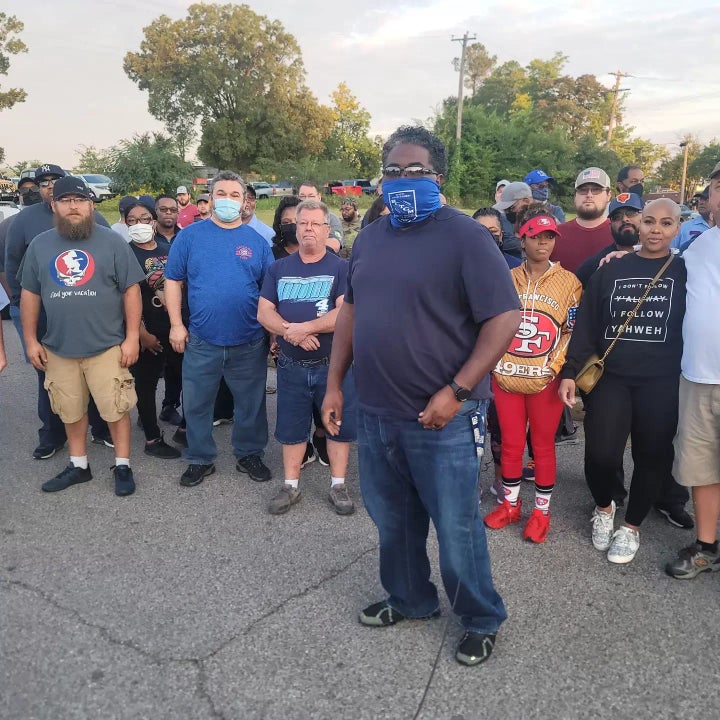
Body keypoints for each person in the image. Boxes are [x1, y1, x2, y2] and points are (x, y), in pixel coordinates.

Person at [321, 125, 521, 666]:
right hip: (378, 408)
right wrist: (336, 383)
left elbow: (504, 317)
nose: (403, 181)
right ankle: (410, 599)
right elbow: (351, 313)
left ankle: (481, 617)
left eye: (416, 171)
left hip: (444, 416)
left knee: (456, 529)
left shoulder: (466, 237)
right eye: (393, 171)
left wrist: (457, 392)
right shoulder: (371, 238)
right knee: (394, 521)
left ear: (438, 177)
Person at [558, 199, 686, 564]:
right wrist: (570, 372)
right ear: (639, 225)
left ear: (677, 228)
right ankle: (603, 507)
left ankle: (631, 527)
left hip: (661, 381)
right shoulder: (609, 269)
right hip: (611, 378)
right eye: (648, 221)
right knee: (601, 454)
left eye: (665, 223)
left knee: (652, 455)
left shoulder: (684, 270)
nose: (655, 229)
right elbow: (587, 325)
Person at [19, 176, 145, 495]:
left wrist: (132, 337)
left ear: (90, 205)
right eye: (66, 200)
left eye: (80, 200)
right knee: (70, 409)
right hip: (59, 348)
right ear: (54, 205)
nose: (73, 206)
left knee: (116, 408)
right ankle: (79, 465)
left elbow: (131, 289)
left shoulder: (111, 242)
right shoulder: (41, 245)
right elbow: (30, 294)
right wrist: (31, 340)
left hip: (106, 346)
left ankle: (122, 465)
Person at [165, 171, 273, 487]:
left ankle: (249, 453)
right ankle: (200, 458)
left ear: (244, 202)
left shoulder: (257, 242)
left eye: (234, 195)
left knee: (251, 403)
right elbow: (173, 281)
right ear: (211, 199)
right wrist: (176, 325)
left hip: (249, 340)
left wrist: (273, 332)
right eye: (221, 193)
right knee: (198, 403)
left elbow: (269, 291)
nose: (227, 200)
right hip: (201, 339)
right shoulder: (190, 237)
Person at [484, 210, 581, 542]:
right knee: (510, 444)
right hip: (507, 375)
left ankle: (541, 512)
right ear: (521, 237)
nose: (543, 242)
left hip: (546, 379)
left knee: (542, 446)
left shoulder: (569, 282)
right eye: (536, 236)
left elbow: (572, 331)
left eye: (550, 236)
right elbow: (490, 322)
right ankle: (510, 505)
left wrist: (556, 368)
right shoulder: (505, 276)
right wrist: (495, 363)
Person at [5, 164, 113, 458]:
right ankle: (52, 435)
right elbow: (11, 263)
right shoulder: (23, 221)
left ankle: (101, 429)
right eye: (44, 182)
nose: (50, 186)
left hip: (88, 312)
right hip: (41, 313)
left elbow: (109, 257)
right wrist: (18, 303)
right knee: (49, 377)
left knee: (95, 370)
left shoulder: (93, 216)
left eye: (56, 181)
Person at [258, 199, 357, 515]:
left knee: (336, 425)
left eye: (316, 224)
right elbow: (264, 312)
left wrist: (306, 327)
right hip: (291, 366)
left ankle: (338, 485)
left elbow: (344, 313)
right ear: (295, 228)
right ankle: (291, 486)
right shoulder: (278, 268)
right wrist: (292, 331)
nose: (309, 229)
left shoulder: (341, 268)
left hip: (333, 367)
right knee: (291, 427)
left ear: (327, 229)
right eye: (303, 223)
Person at [666, 163, 720, 578]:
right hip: (698, 378)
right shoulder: (701, 244)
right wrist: (622, 253)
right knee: (702, 467)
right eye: (718, 185)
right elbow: (666, 264)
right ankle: (706, 546)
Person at [125, 201, 182, 459]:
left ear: (153, 220)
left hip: (175, 328)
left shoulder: (168, 248)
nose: (140, 224)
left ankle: (184, 429)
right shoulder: (124, 254)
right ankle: (152, 437)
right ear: (125, 223)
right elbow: (123, 298)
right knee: (146, 385)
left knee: (184, 378)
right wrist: (140, 333)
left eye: (144, 218)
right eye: (132, 220)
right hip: (148, 332)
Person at [551, 168, 613, 274]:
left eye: (596, 189)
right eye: (583, 190)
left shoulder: (618, 234)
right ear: (575, 195)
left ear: (608, 195)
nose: (589, 195)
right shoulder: (554, 234)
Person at [297, 182, 344, 251]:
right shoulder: (293, 219)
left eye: (311, 196)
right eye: (302, 196)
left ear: (319, 197)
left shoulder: (331, 219)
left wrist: (307, 243)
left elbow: (335, 245)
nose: (306, 200)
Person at [492, 182, 529, 259]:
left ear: (526, 201)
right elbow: (501, 240)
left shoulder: (544, 220)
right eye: (505, 209)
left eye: (511, 207)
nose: (507, 211)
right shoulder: (502, 218)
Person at [672, 186, 712, 252]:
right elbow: (671, 253)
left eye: (706, 199)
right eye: (701, 199)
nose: (701, 202)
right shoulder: (683, 227)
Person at [270, 196, 302, 260]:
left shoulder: (319, 254)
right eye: (286, 222)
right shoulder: (271, 255)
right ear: (280, 226)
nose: (293, 225)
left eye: (297, 221)